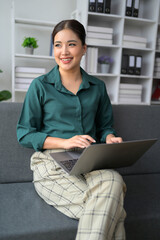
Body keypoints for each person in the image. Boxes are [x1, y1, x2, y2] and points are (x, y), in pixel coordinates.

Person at [17, 19, 126, 240]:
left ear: (84, 48)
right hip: (52, 163)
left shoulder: (98, 87)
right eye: (57, 45)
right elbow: (24, 133)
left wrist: (110, 137)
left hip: (90, 160)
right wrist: (65, 142)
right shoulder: (40, 86)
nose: (64, 51)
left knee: (114, 180)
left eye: (71, 44)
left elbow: (105, 126)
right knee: (114, 210)